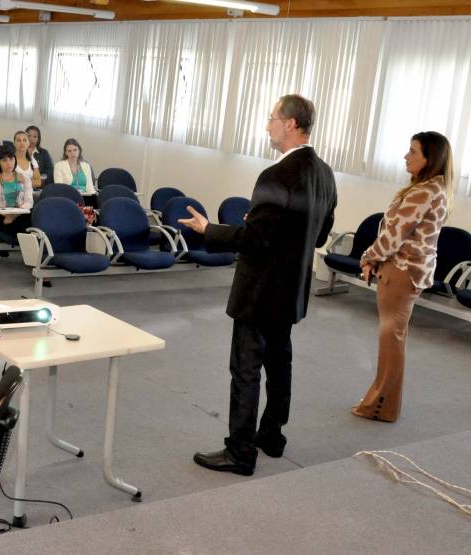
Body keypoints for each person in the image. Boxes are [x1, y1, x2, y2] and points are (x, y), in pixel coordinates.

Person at [179, 94, 337, 476]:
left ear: (291, 124)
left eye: (272, 118)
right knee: (280, 364)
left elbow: (254, 240)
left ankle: (240, 451)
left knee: (246, 368)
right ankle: (272, 436)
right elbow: (319, 235)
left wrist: (208, 229)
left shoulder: (276, 175)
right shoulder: (324, 174)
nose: (267, 126)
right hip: (291, 290)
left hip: (260, 291)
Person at [353, 132, 454, 423]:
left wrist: (367, 257)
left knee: (391, 340)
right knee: (393, 338)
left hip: (401, 272)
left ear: (429, 159)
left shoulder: (424, 192)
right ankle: (383, 402)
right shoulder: (433, 188)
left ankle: (380, 406)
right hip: (407, 271)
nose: (405, 157)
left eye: (412, 151)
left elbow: (392, 237)